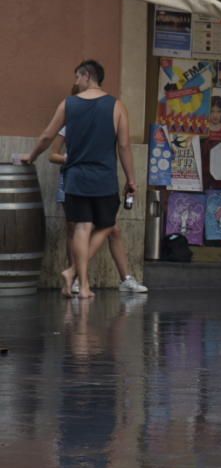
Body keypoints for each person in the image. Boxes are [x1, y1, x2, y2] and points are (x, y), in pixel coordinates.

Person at [25, 60, 137, 299]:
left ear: (87, 76)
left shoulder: (69, 104)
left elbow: (47, 136)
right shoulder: (117, 106)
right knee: (106, 225)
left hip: (76, 177)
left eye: (77, 77)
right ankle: (74, 273)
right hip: (104, 178)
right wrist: (131, 179)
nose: (75, 82)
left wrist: (31, 156)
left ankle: (82, 283)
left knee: (82, 227)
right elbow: (125, 146)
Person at [48, 126, 147, 294]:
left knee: (112, 228)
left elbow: (122, 147)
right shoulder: (71, 123)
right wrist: (71, 158)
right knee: (75, 229)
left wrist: (130, 179)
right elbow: (53, 154)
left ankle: (124, 279)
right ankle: (77, 279)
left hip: (99, 182)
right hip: (74, 181)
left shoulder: (106, 120)